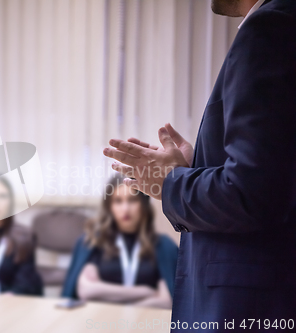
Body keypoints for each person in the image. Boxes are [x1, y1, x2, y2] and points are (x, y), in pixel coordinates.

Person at [103, 0, 296, 330]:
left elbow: (253, 194)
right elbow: (276, 172)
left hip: (247, 308)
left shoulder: (270, 28)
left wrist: (170, 182)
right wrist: (192, 169)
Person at [62, 175, 178, 309]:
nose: (125, 209)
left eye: (133, 200)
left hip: (145, 323)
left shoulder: (163, 246)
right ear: (109, 206)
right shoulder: (94, 242)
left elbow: (166, 301)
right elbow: (86, 290)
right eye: (118, 201)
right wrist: (146, 292)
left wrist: (123, 307)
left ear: (144, 204)